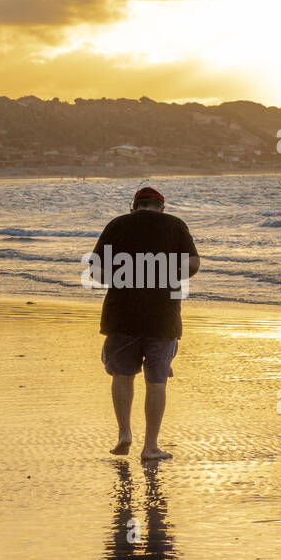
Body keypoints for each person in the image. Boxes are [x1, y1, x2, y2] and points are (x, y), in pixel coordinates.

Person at [89, 186, 200, 460]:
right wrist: (168, 273)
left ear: (134, 206)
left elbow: (95, 269)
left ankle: (124, 434)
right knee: (157, 380)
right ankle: (150, 446)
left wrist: (118, 278)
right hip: (163, 314)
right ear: (161, 207)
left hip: (121, 313)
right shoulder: (175, 224)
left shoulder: (117, 224)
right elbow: (194, 264)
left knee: (122, 375)